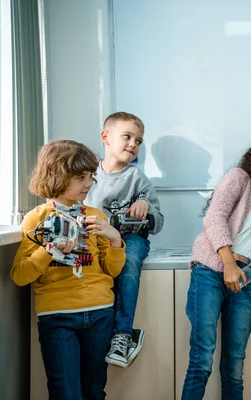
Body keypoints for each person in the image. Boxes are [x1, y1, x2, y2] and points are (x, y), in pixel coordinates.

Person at [181, 130, 251, 400]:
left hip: (244, 280)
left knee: (235, 364)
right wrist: (229, 263)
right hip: (211, 271)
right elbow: (214, 218)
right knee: (202, 358)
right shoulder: (238, 178)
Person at [11, 140, 126, 399]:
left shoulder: (97, 217)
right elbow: (20, 275)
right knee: (65, 392)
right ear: (58, 176)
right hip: (58, 316)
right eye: (80, 177)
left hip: (99, 314)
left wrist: (115, 238)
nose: (89, 183)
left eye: (91, 176)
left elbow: (112, 271)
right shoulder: (36, 218)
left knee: (95, 391)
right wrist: (50, 250)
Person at [85, 111, 164, 368]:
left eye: (139, 141)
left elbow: (158, 221)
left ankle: (123, 334)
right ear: (106, 137)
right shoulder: (88, 175)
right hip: (96, 241)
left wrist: (145, 206)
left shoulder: (137, 178)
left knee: (129, 261)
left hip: (130, 240)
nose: (133, 144)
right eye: (127, 137)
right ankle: (98, 329)